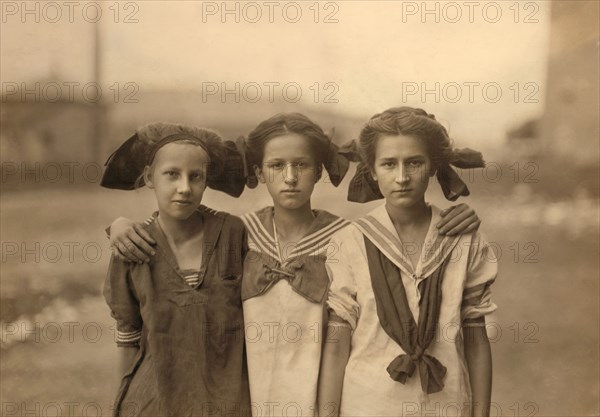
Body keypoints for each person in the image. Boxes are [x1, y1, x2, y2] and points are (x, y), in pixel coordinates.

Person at [108, 113, 482, 417]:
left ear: (319, 171)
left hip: (319, 401)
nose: (289, 177)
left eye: (301, 165)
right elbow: (184, 226)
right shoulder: (239, 234)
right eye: (276, 165)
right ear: (258, 172)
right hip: (247, 401)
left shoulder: (347, 238)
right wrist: (121, 226)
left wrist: (452, 217)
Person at [319, 107, 496, 417]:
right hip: (367, 404)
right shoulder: (349, 243)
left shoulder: (464, 240)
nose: (401, 177)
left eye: (414, 162)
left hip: (447, 405)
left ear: (432, 167)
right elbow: (336, 346)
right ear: (372, 170)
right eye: (388, 164)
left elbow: (477, 340)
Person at [101, 123, 250, 417]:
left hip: (226, 401)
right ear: (149, 177)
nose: (184, 188)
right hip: (154, 402)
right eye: (172, 174)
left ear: (206, 182)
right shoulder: (131, 247)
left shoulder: (232, 233)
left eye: (195, 177)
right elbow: (128, 336)